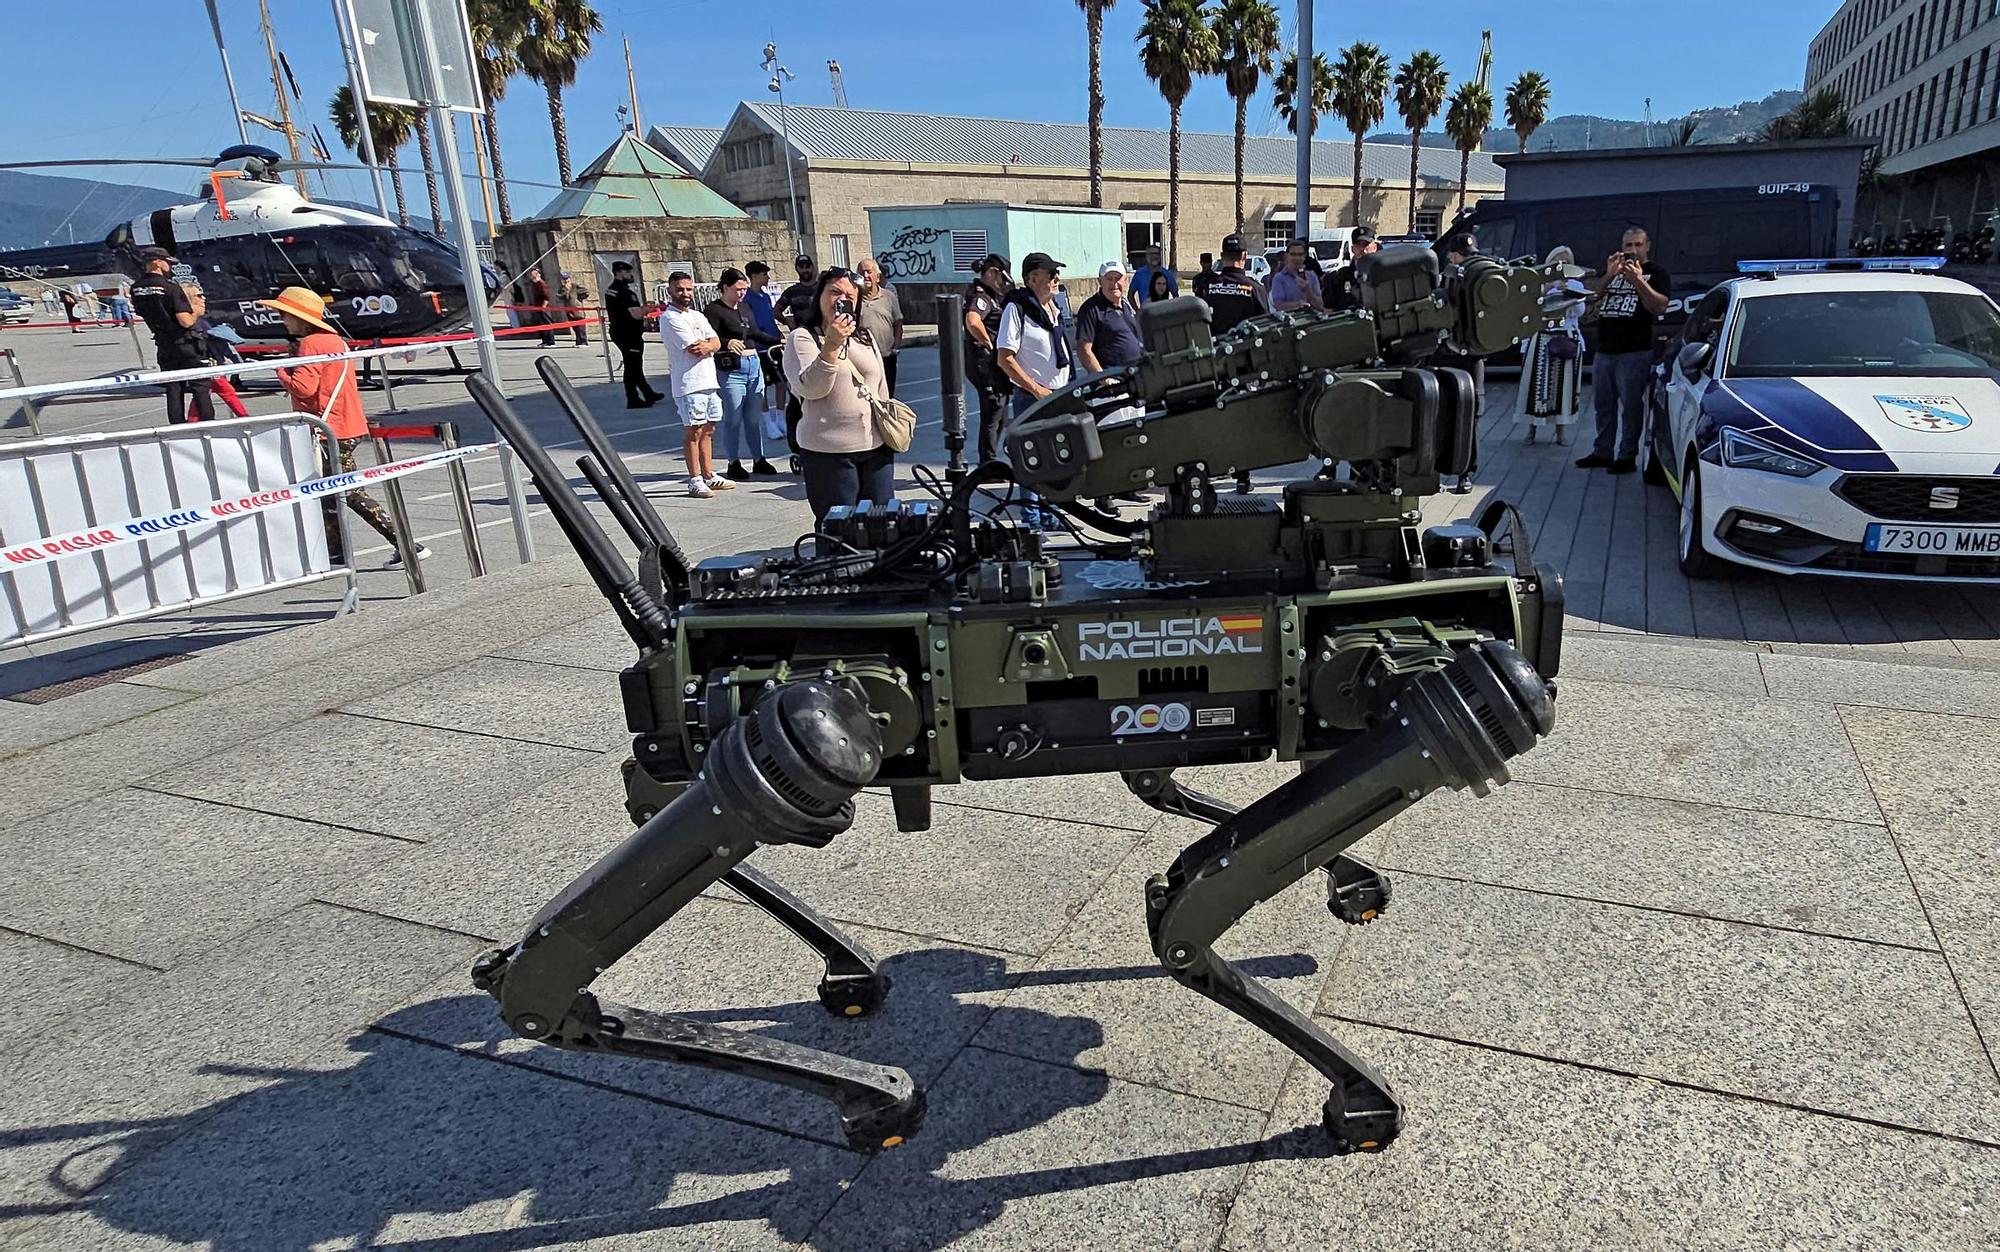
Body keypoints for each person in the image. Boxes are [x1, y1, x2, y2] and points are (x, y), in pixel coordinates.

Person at [260, 286, 427, 568]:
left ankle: (406, 544)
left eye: (284, 314)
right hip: (346, 423)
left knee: (348, 491)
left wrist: (281, 370)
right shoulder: (335, 341)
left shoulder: (310, 344)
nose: (282, 320)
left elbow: (303, 388)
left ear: (298, 317)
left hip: (328, 429)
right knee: (328, 492)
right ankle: (335, 555)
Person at [783, 267, 895, 524]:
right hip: (828, 451)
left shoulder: (865, 337)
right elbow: (813, 389)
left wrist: (888, 429)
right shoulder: (803, 338)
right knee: (839, 528)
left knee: (883, 524)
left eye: (850, 296)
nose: (841, 299)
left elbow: (880, 386)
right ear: (819, 296)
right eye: (834, 292)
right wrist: (831, 344)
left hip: (875, 447)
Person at [1579, 226, 1670, 474]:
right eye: (1628, 245)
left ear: (1647, 246)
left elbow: (1660, 306)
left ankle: (1627, 456)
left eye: (1638, 245)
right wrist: (1609, 275)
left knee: (1630, 406)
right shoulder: (1613, 270)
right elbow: (1590, 299)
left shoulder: (1656, 273)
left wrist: (1638, 281)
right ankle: (1602, 451)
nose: (1633, 250)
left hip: (1635, 351)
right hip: (1605, 349)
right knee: (1603, 405)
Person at [996, 252, 1074, 528]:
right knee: (1032, 459)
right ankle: (1032, 520)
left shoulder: (1053, 308)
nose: (1056, 278)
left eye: (1056, 273)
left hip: (1058, 395)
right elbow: (1005, 358)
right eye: (1050, 273)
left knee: (1056, 459)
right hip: (1032, 398)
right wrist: (1037, 390)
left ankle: (1051, 514)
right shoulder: (1016, 309)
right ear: (1031, 279)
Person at [1191, 234, 1271, 493]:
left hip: (1213, 364)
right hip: (1245, 366)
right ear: (1244, 257)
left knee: (1212, 417)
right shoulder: (1254, 288)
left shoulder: (1207, 287)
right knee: (1242, 421)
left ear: (1222, 257)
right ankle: (1242, 475)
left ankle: (1209, 469)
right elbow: (1266, 328)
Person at [705, 267, 781, 480]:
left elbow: (754, 332)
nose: (742, 293)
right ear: (725, 287)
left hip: (753, 362)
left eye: (744, 289)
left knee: (753, 418)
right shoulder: (714, 310)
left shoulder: (745, 307)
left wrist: (778, 340)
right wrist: (726, 342)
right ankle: (733, 462)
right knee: (734, 417)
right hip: (732, 368)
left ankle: (759, 458)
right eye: (738, 289)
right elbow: (708, 337)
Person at [661, 271, 730, 497]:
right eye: (680, 289)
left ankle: (709, 474)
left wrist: (710, 345)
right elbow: (695, 348)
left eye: (688, 289)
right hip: (689, 383)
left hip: (709, 380)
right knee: (694, 430)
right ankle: (695, 479)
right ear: (670, 291)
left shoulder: (698, 316)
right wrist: (709, 346)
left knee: (709, 429)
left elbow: (716, 341)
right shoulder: (670, 318)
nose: (685, 293)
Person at [129, 247, 214, 424]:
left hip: (164, 344)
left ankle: (177, 426)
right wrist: (197, 312)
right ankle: (208, 425)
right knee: (200, 385)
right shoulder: (171, 288)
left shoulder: (136, 288)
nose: (170, 266)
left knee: (174, 387)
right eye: (167, 262)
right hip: (187, 344)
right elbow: (185, 321)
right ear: (157, 262)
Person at [1520, 246, 1586, 445]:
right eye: (1557, 261)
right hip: (1541, 339)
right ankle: (1531, 430)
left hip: (1565, 338)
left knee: (1563, 388)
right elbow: (1529, 310)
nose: (1561, 265)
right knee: (1536, 387)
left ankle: (1561, 431)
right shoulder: (1538, 283)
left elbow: (1580, 311)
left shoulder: (1574, 284)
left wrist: (1571, 294)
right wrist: (1547, 288)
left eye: (1565, 262)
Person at [963, 252, 1014, 465]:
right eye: (1002, 278)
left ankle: (990, 457)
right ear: (992, 273)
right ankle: (988, 462)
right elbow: (973, 321)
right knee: (993, 411)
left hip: (992, 365)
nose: (1003, 284)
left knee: (1001, 412)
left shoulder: (991, 295)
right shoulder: (981, 297)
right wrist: (988, 342)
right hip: (984, 364)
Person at [603, 261, 663, 408]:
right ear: (620, 272)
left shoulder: (612, 290)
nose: (631, 275)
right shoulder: (625, 293)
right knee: (632, 367)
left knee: (634, 365)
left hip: (620, 332)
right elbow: (635, 314)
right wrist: (647, 309)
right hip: (628, 334)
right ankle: (633, 399)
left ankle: (648, 393)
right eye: (629, 272)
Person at [855, 257, 906, 397]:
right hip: (863, 358)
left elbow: (898, 323)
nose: (865, 276)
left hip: (886, 356)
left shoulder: (889, 297)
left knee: (888, 395)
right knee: (867, 395)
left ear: (877, 277)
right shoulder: (853, 298)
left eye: (868, 272)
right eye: (861, 273)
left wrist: (895, 347)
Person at [744, 260, 785, 417]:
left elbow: (769, 318)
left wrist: (778, 333)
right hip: (760, 347)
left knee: (781, 381)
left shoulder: (766, 297)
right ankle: (768, 419)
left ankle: (780, 416)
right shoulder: (747, 299)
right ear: (754, 276)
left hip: (774, 345)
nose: (767, 277)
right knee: (763, 385)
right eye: (764, 274)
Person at [1322, 227, 1381, 312]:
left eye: (1366, 244)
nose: (1363, 249)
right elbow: (1328, 312)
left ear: (1375, 247)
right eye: (1358, 245)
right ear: (1352, 248)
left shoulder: (1384, 277)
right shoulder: (1338, 278)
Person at [1268, 238, 1323, 313]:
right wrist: (1299, 305)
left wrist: (1308, 291)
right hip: (1291, 318)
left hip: (1312, 318)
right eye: (1293, 254)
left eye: (1300, 254)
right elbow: (1279, 305)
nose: (1297, 258)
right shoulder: (1279, 278)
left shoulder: (1312, 276)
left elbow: (1320, 305)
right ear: (1287, 256)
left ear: (1304, 256)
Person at [777, 254, 819, 328]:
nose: (805, 270)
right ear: (796, 269)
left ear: (812, 267)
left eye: (807, 267)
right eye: (801, 267)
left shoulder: (822, 288)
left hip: (822, 332)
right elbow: (776, 311)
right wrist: (787, 321)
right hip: (801, 332)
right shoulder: (791, 291)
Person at [559, 271, 588, 346]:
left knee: (581, 327)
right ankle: (578, 342)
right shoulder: (562, 289)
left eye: (567, 279)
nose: (566, 281)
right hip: (569, 311)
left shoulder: (575, 286)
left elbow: (586, 292)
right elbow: (559, 297)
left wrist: (579, 299)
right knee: (575, 327)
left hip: (577, 310)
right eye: (564, 279)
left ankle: (583, 342)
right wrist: (565, 290)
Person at [528, 266, 555, 347]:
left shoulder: (541, 283)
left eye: (533, 274)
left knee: (547, 323)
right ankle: (544, 340)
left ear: (537, 274)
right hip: (537, 307)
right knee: (540, 324)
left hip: (543, 307)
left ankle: (550, 341)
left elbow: (546, 296)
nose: (531, 275)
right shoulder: (534, 284)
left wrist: (543, 306)